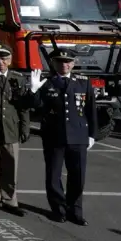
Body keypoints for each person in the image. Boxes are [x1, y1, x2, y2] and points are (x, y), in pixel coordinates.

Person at [29, 48, 96, 226]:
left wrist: (92, 135)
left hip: (79, 136)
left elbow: (91, 110)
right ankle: (58, 209)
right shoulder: (47, 83)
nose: (64, 65)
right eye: (60, 61)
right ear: (53, 63)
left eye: (67, 61)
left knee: (78, 176)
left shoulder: (84, 82)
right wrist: (34, 91)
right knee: (53, 175)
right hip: (54, 136)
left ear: (73, 63)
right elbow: (36, 110)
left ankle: (76, 211)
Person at [0, 41, 31, 217]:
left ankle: (10, 199)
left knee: (11, 164)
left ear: (10, 59)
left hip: (11, 127)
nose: (1, 61)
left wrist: (25, 127)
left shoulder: (18, 78)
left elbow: (23, 106)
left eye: (4, 58)